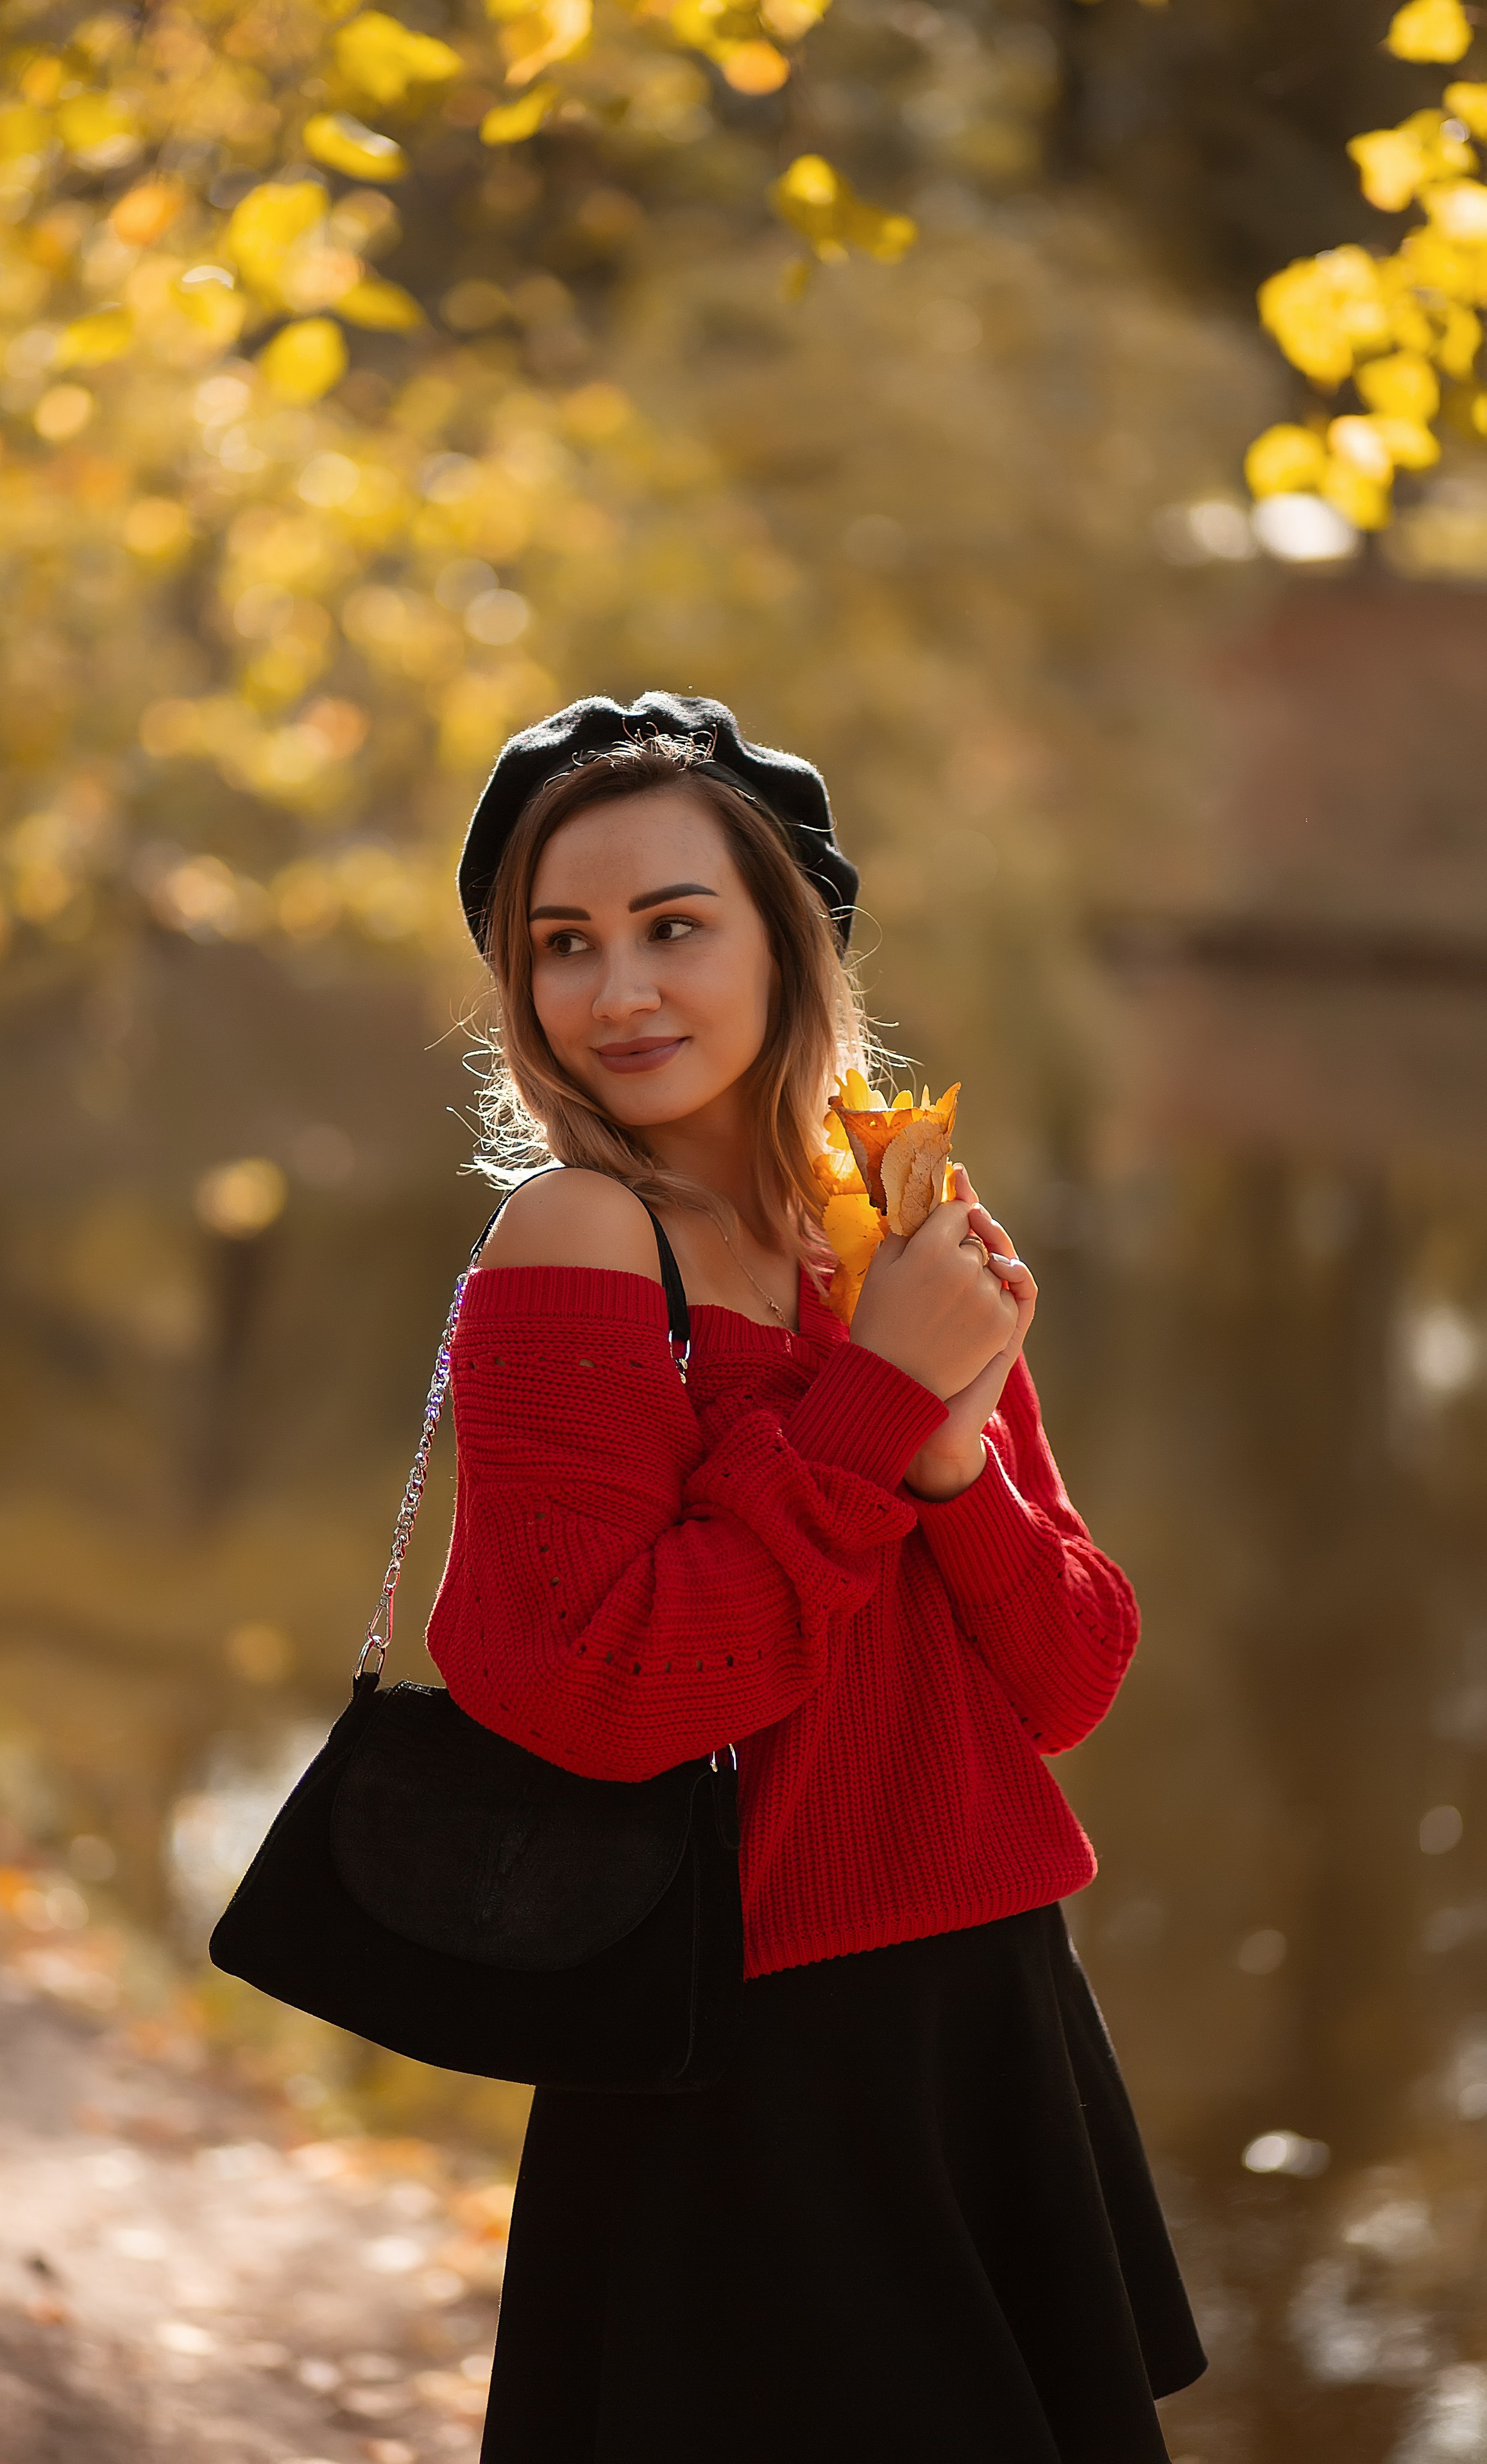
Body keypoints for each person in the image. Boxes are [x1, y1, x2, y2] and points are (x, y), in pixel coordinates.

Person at [428, 692, 1206, 2463]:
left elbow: (1072, 1673)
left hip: (992, 2008)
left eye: (672, 926)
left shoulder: (901, 1210)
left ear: (787, 941)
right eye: (566, 944)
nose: (617, 991)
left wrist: (951, 1457)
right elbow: (607, 1687)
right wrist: (872, 1406)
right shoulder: (577, 1239)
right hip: (744, 2052)